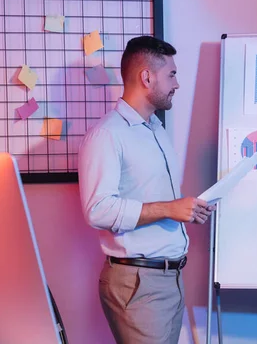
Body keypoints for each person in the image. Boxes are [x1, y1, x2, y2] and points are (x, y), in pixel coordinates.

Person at [78, 36, 215, 344]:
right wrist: (169, 209)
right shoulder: (107, 135)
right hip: (139, 283)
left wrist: (187, 209)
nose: (177, 83)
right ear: (146, 77)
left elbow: (152, 197)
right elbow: (97, 210)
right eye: (172, 74)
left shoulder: (156, 129)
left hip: (169, 278)